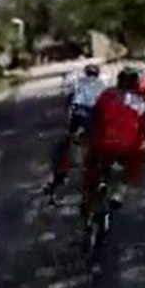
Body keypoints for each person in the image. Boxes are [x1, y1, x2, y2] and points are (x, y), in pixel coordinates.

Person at [82, 67, 145, 216]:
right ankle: (119, 193)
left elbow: (93, 118)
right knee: (134, 162)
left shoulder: (106, 95)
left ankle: (88, 197)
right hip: (129, 147)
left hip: (103, 144)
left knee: (91, 165)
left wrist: (87, 135)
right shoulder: (140, 101)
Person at [43, 63, 107, 202]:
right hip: (95, 117)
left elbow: (69, 102)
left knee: (65, 144)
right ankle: (104, 174)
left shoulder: (78, 82)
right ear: (97, 74)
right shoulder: (102, 84)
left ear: (86, 73)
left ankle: (57, 177)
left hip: (79, 115)